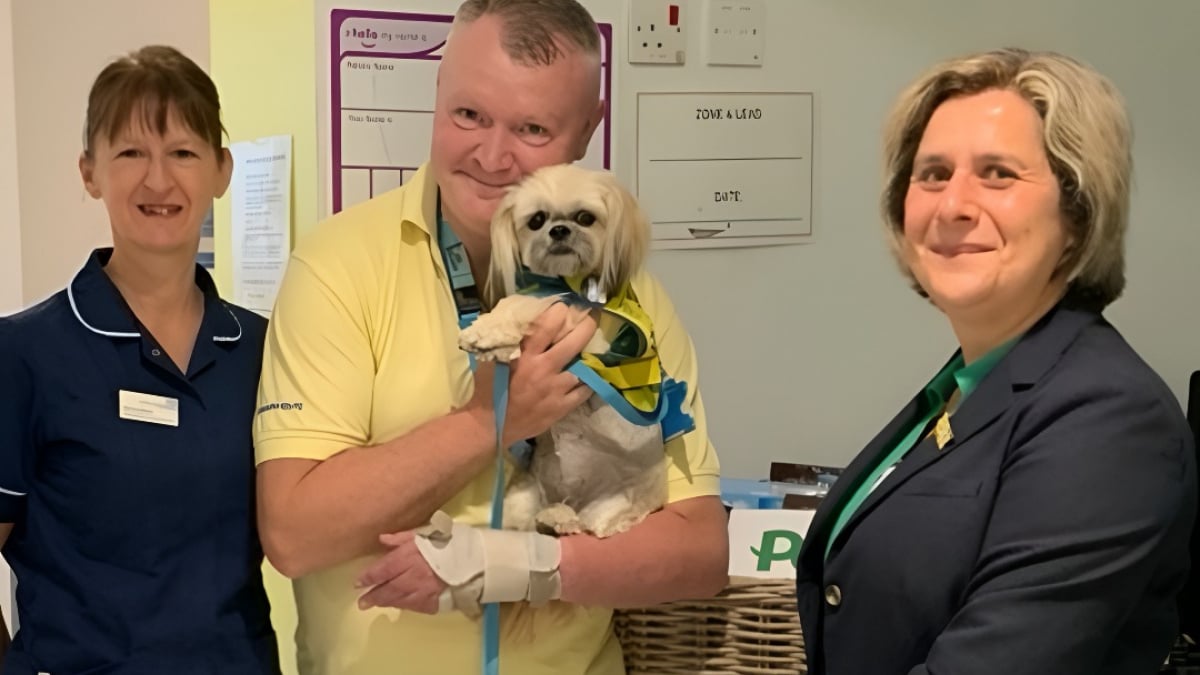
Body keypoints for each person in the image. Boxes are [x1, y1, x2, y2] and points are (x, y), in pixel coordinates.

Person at [252, 1, 728, 673]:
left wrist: (522, 565)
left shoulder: (631, 301)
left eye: (532, 127)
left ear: (589, 129)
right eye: (468, 115)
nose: (492, 155)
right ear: (437, 92)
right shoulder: (338, 266)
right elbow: (295, 535)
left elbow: (700, 552)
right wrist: (490, 419)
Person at [795, 47, 1198, 675]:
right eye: (931, 174)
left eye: (998, 174)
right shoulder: (967, 384)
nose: (953, 205)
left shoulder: (1111, 419)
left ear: (1077, 211)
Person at [0, 46, 281, 674]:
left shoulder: (266, 350)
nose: (158, 180)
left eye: (182, 152)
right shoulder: (24, 355)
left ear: (222, 170)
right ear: (89, 172)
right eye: (131, 153)